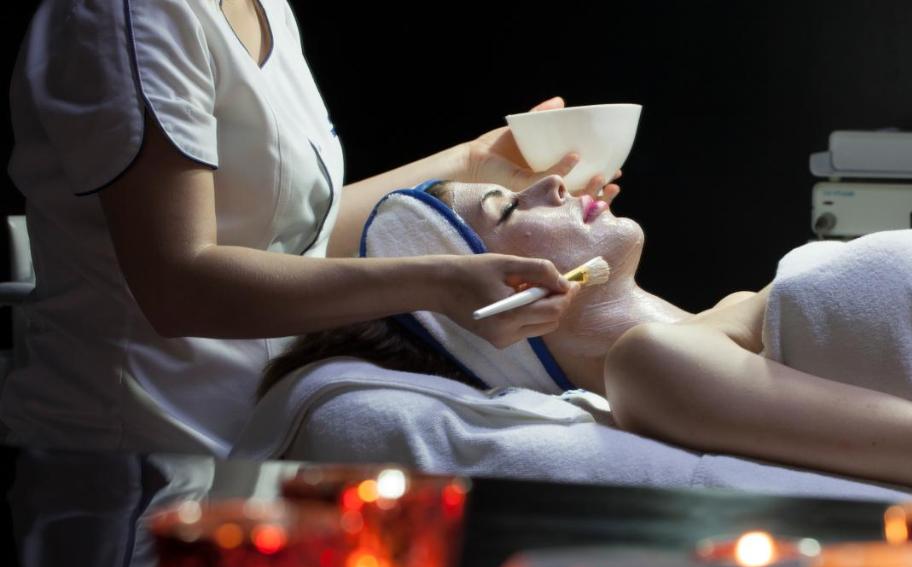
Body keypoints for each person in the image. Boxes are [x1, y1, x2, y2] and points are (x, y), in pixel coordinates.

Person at [259, 175, 912, 524]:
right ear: (494, 304)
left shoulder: (723, 323)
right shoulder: (660, 371)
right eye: (505, 204)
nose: (549, 182)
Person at [3, 0, 618, 455]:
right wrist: (440, 284)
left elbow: (299, 238)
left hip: (261, 437)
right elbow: (176, 286)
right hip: (139, 451)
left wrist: (474, 161)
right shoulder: (134, 14)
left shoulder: (265, 8)